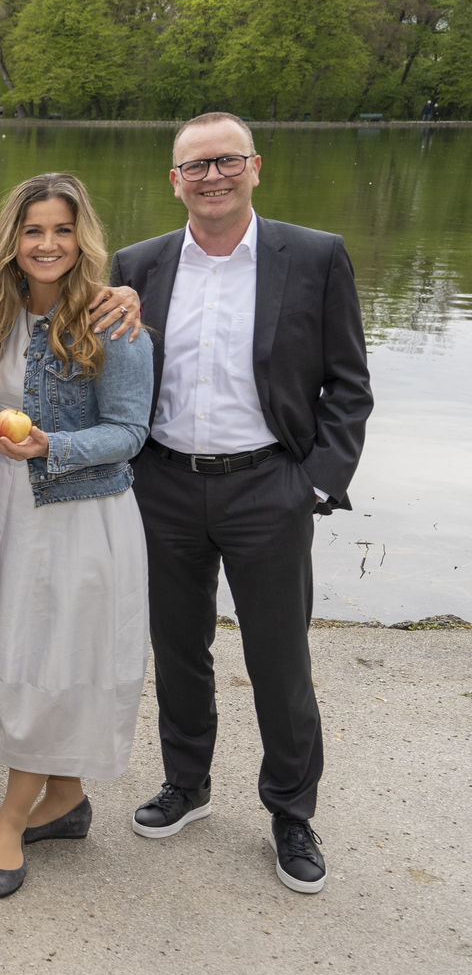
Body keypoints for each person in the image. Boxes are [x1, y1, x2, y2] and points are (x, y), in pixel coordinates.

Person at [112, 112, 372, 894]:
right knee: (179, 648)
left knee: (278, 656)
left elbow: (348, 386)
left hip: (269, 485)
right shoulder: (139, 264)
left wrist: (316, 483)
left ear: (255, 166)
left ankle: (291, 811)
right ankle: (186, 784)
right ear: (175, 180)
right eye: (196, 166)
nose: (212, 176)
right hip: (162, 484)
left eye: (226, 161)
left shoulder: (315, 256)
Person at [0, 173, 153, 898]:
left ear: (83, 239)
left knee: (53, 659)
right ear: (13, 241)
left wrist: (54, 447)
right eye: (34, 230)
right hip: (10, 506)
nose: (48, 245)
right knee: (29, 651)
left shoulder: (112, 321)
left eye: (63, 231)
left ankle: (13, 819)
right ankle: (66, 796)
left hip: (81, 513)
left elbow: (131, 432)